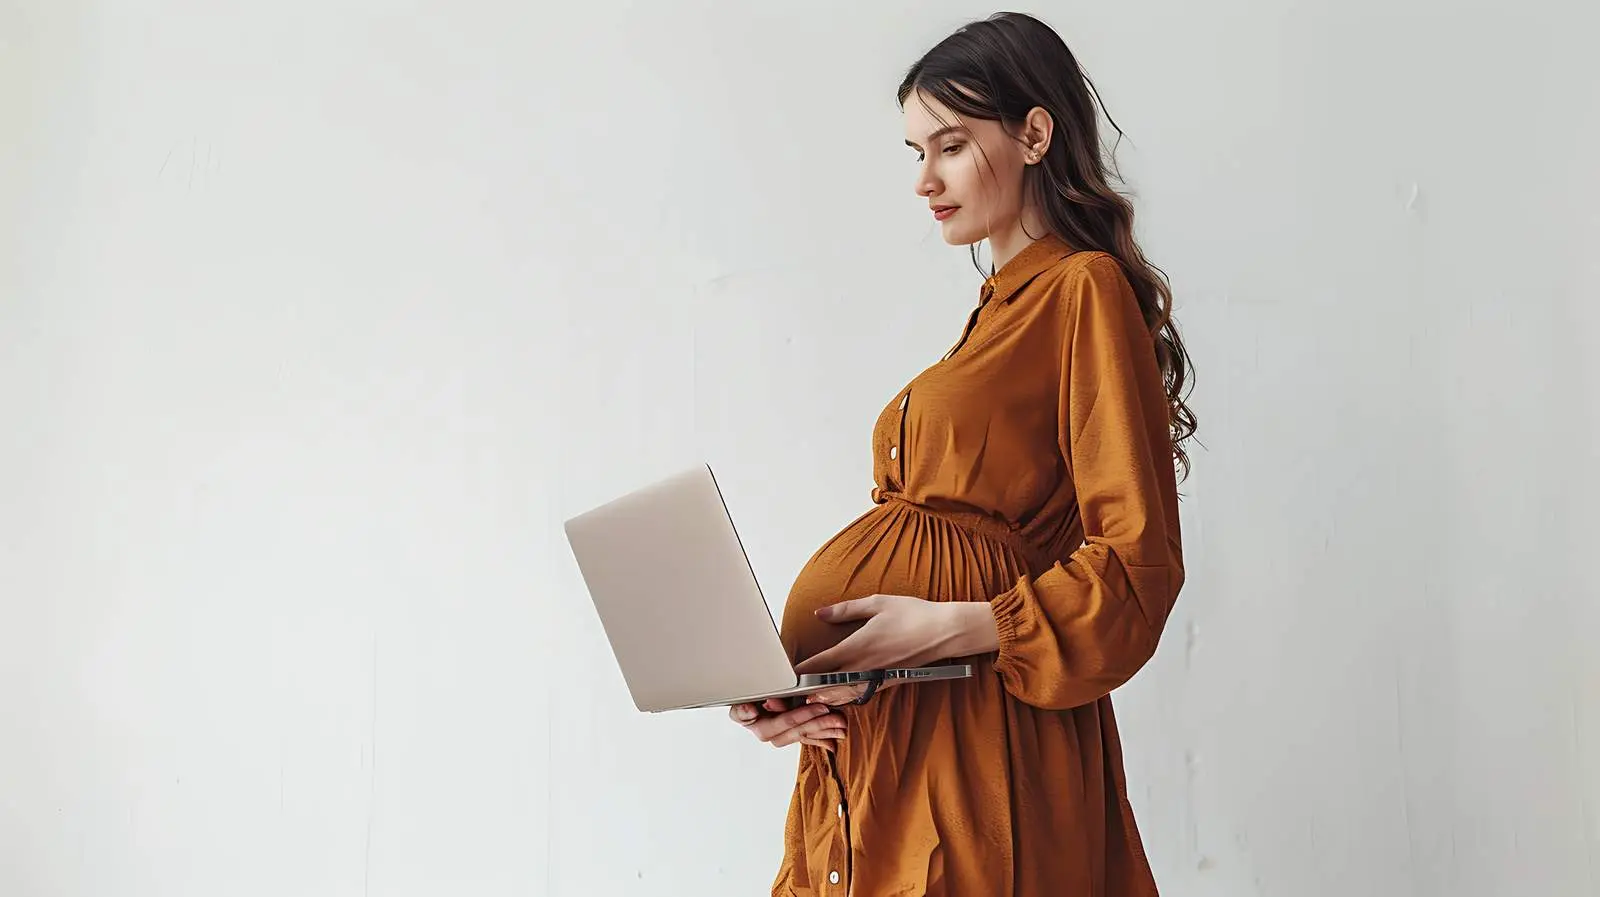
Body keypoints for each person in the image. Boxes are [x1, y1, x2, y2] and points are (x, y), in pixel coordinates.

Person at [729, 11, 1197, 896]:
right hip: (894, 732)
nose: (925, 181)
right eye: (916, 153)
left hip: (985, 739)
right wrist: (818, 684)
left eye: (949, 146)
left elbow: (1139, 565)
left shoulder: (1080, 290)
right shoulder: (993, 317)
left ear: (1032, 133)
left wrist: (952, 626)